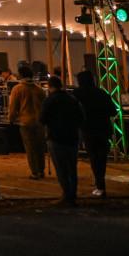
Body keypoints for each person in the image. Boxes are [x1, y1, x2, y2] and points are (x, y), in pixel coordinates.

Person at [39, 75, 83, 205]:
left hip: (56, 138)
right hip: (72, 137)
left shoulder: (49, 100)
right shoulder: (72, 99)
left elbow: (42, 119)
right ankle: (73, 194)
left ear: (50, 86)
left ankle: (66, 194)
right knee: (72, 168)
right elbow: (81, 117)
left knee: (61, 168)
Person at [75, 70, 119, 198]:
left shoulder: (77, 94)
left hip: (88, 129)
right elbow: (113, 111)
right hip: (103, 130)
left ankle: (100, 184)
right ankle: (100, 182)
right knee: (101, 157)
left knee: (94, 157)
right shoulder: (102, 93)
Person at [7, 63, 47, 180]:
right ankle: (41, 170)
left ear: (20, 75)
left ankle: (34, 171)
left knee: (30, 148)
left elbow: (13, 107)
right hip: (39, 122)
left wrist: (11, 119)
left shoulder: (18, 89)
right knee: (40, 147)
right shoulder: (39, 89)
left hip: (25, 122)